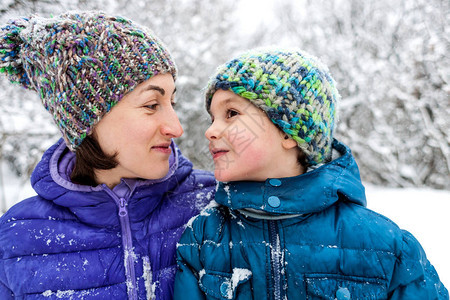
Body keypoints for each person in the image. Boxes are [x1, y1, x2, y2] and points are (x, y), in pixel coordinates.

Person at [173, 48, 448, 299]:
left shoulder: (386, 246)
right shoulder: (204, 237)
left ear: (289, 132)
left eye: (231, 113)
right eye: (212, 118)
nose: (211, 131)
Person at [0, 11, 215, 299]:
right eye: (152, 104)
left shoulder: (214, 203)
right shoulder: (17, 239)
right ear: (85, 120)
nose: (176, 128)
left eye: (171, 101)